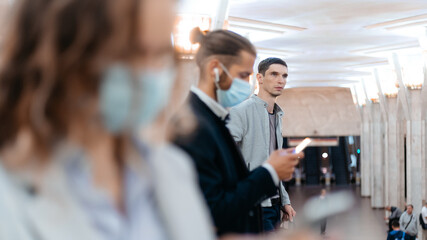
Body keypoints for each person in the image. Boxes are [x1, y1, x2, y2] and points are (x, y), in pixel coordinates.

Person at [0, 0, 216, 239]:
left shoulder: (171, 168)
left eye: (161, 54)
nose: (151, 73)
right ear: (63, 54)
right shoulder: (12, 189)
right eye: (131, 53)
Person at [174, 28, 303, 236]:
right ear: (215, 69)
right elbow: (214, 209)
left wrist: (283, 198)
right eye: (243, 75)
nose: (246, 83)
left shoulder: (215, 118)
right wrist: (270, 171)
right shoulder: (194, 123)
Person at [227, 57, 295, 231]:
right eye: (274, 74)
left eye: (284, 76)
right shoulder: (240, 111)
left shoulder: (278, 115)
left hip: (274, 203)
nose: (281, 80)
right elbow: (224, 160)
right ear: (260, 78)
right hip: (253, 204)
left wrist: (284, 201)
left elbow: (274, 164)